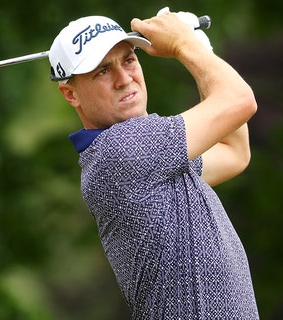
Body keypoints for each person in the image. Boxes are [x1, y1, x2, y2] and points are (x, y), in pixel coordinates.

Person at [49, 9, 259, 319]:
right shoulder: (121, 150)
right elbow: (240, 101)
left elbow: (234, 151)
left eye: (129, 60)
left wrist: (200, 45)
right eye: (102, 71)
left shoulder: (154, 158)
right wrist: (184, 45)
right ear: (71, 94)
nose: (124, 78)